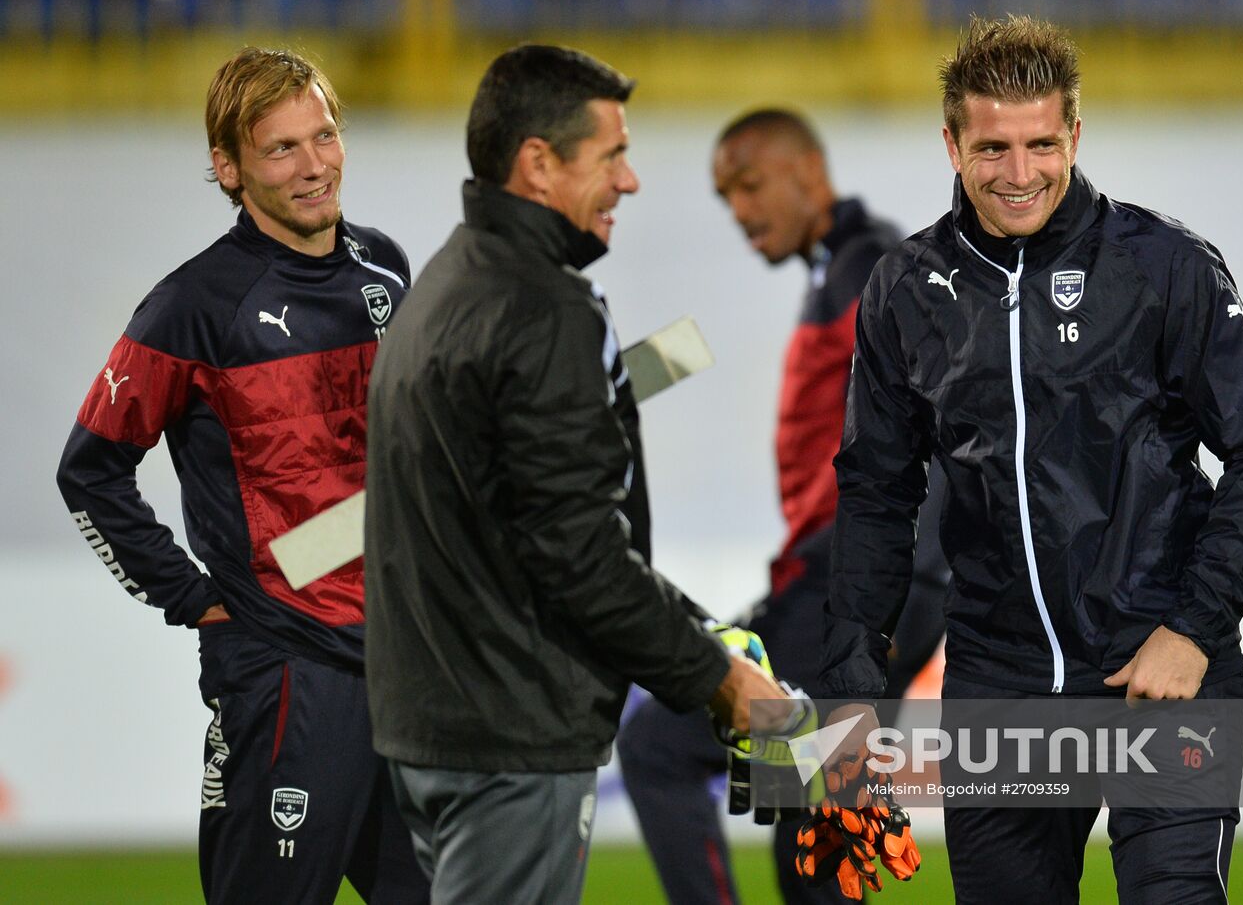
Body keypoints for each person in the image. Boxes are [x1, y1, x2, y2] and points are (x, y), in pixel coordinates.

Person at [820, 15, 1243, 904]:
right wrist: (851, 689)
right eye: (992, 148)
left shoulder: (1164, 267)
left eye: (1043, 144)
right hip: (998, 685)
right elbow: (878, 495)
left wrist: (1194, 629)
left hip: (1157, 671)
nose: (1019, 174)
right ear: (951, 144)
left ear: (1075, 135)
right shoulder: (903, 289)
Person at [362, 44, 787, 905]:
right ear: (539, 164)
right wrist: (718, 677)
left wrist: (698, 636)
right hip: (509, 737)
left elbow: (512, 526)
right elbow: (579, 553)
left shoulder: (445, 283)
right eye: (613, 156)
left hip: (431, 726)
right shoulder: (544, 310)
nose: (629, 182)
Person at [55, 48, 428, 903]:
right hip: (286, 669)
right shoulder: (191, 307)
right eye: (281, 149)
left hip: (408, 665)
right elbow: (91, 471)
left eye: (324, 135)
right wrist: (190, 596)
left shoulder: (386, 268)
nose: (314, 165)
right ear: (229, 168)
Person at [616, 109, 949, 904]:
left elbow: (952, 423)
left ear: (806, 171)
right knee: (812, 834)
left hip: (849, 589)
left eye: (750, 185)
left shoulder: (874, 266)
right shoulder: (839, 269)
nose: (738, 211)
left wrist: (909, 588)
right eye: (725, 196)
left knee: (661, 749)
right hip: (847, 584)